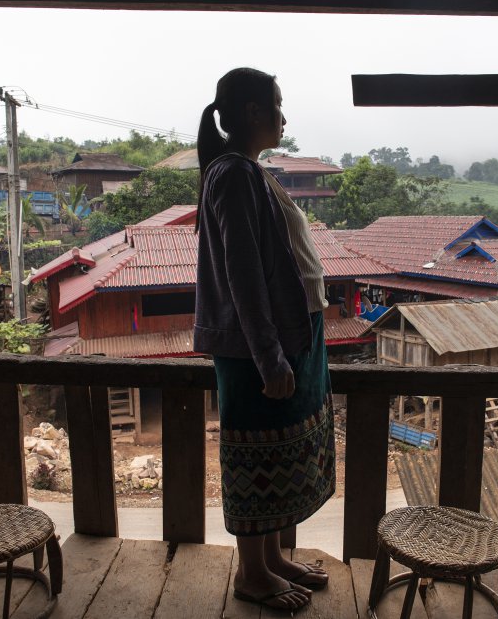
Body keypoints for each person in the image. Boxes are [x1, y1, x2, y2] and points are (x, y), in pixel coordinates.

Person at [194, 67, 335, 612]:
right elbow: (243, 276)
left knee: (277, 456)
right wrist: (270, 357)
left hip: (284, 338)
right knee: (256, 456)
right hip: (259, 348)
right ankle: (252, 574)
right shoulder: (233, 174)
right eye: (277, 106)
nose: (284, 117)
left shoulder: (250, 171)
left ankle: (272, 558)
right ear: (253, 112)